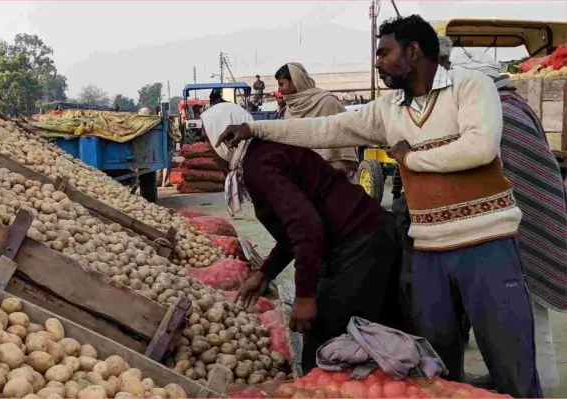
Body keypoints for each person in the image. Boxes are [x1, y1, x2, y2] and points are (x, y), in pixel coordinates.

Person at [216, 15, 541, 398]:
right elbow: (327, 129)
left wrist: (410, 157)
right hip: (429, 252)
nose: (377, 61)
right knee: (437, 369)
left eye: (384, 52)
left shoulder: (470, 86)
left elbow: (479, 147)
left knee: (510, 361)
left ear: (413, 51)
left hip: (486, 244)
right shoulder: (389, 108)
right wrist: (257, 128)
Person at [200, 91, 404, 375]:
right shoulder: (262, 154)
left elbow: (306, 228)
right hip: (367, 236)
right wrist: (265, 273)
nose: (209, 152)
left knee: (326, 347)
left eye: (208, 142)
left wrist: (306, 297)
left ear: (225, 139)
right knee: (375, 339)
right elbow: (292, 231)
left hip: (360, 243)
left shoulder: (259, 165)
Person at [448, 48, 567, 392]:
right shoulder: (511, 104)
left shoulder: (499, 110)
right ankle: (516, 378)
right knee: (510, 313)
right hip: (519, 220)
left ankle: (537, 383)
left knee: (528, 313)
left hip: (526, 224)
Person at [274, 63, 359, 180]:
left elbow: (345, 137)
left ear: (295, 81)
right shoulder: (290, 110)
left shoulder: (327, 102)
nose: (279, 89)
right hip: (302, 177)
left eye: (281, 84)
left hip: (333, 175)